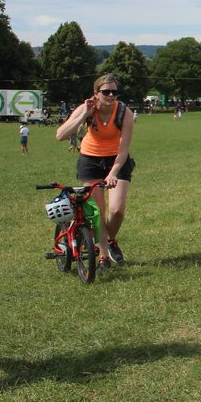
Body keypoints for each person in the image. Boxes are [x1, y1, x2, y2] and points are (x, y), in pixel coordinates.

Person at [56, 73, 136, 269]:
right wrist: (84, 115)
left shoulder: (124, 112)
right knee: (98, 212)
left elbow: (124, 149)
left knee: (116, 211)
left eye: (114, 92)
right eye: (106, 91)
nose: (110, 95)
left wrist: (113, 173)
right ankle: (102, 255)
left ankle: (110, 240)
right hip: (90, 159)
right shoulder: (86, 109)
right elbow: (60, 135)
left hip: (117, 160)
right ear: (96, 93)